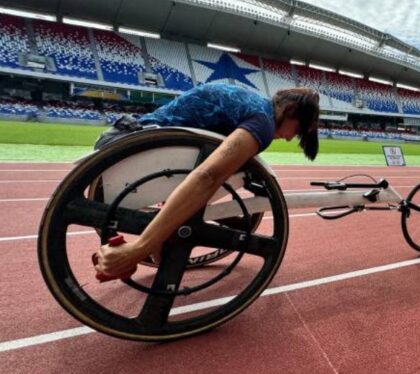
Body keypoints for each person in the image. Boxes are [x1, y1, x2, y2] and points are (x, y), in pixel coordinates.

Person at [92, 82, 319, 278]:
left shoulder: (254, 104)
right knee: (214, 174)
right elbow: (207, 177)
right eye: (297, 130)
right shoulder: (263, 122)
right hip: (132, 151)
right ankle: (154, 244)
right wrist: (137, 249)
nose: (290, 138)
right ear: (289, 110)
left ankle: (164, 249)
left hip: (124, 139)